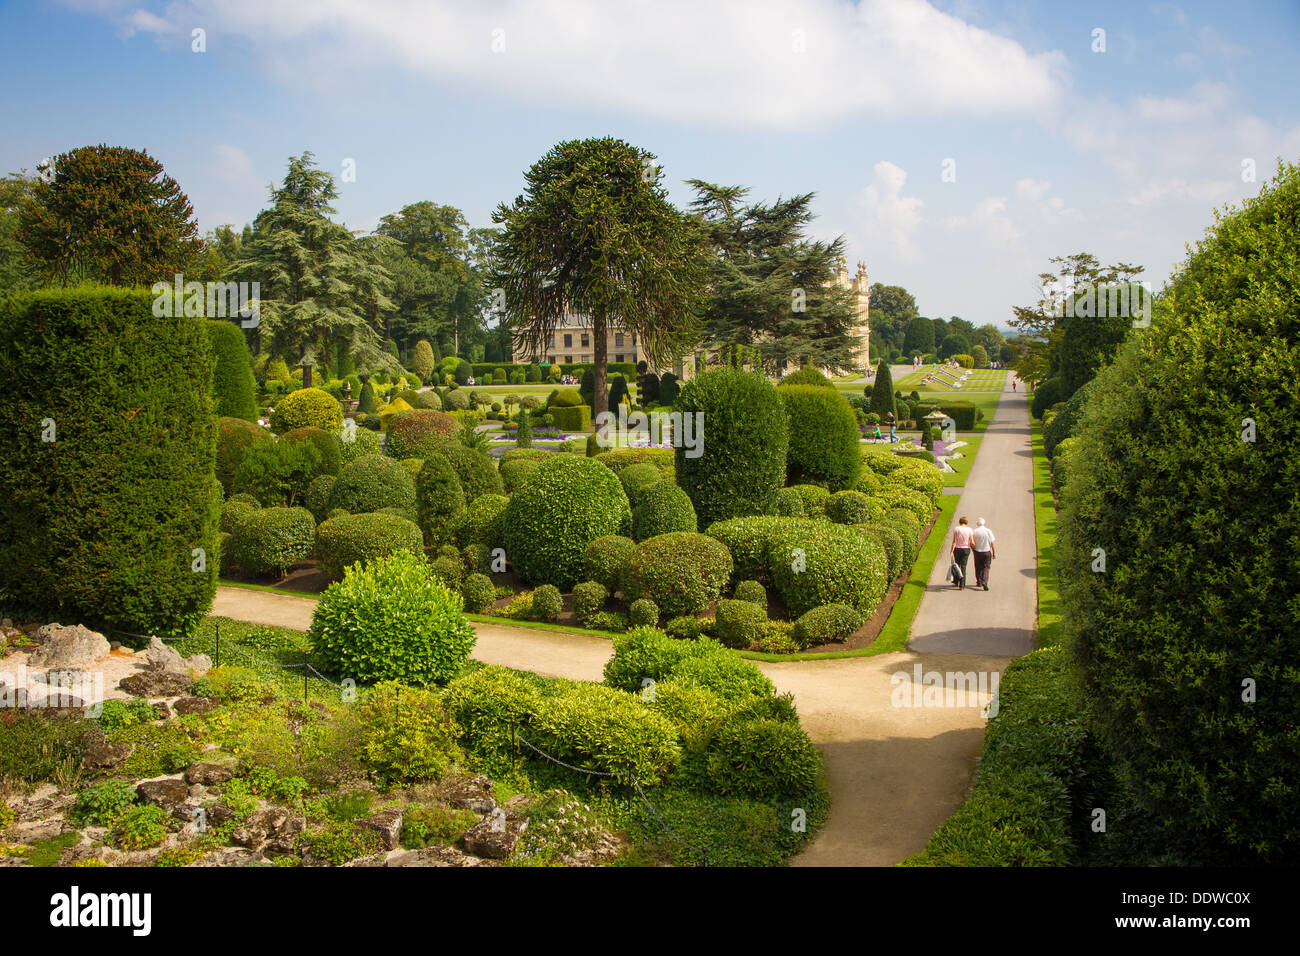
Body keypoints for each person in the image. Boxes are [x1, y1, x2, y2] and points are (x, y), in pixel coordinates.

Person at [971, 518, 996, 590]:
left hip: (977, 551)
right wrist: (994, 553)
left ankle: (979, 581)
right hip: (986, 551)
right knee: (986, 567)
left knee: (978, 567)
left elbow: (972, 542)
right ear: (984, 523)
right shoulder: (988, 531)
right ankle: (984, 581)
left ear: (977, 524)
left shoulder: (974, 531)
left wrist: (973, 550)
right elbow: (992, 543)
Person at [951, 516, 973, 590]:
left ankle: (956, 581)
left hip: (957, 549)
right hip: (966, 549)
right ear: (966, 522)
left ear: (960, 522)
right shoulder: (970, 530)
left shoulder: (956, 529)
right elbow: (972, 541)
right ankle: (962, 585)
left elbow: (954, 541)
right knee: (963, 567)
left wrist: (951, 550)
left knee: (957, 565)